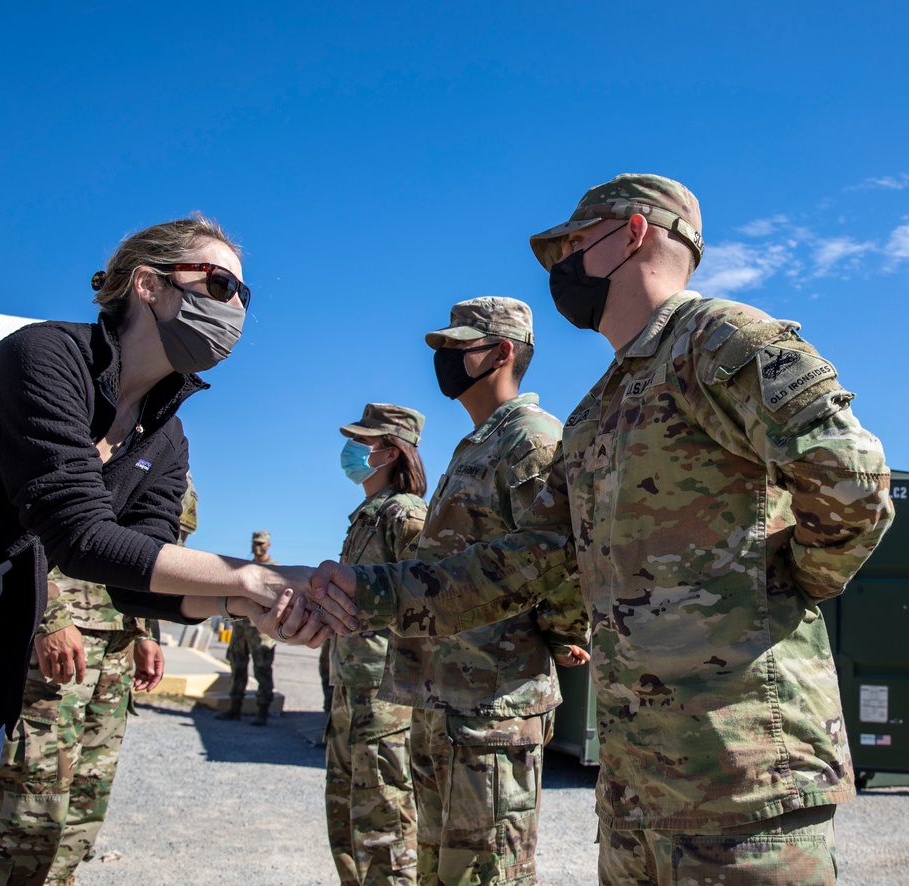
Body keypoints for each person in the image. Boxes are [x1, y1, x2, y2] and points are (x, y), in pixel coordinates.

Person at [313, 175, 895, 885]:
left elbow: (852, 478)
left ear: (634, 232)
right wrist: (365, 593)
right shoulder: (597, 412)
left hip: (744, 773)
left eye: (574, 244)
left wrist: (794, 580)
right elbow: (526, 563)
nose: (563, 266)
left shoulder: (719, 341)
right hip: (636, 790)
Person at [0, 215, 346, 886]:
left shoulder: (164, 438)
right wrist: (259, 577)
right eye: (220, 282)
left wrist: (240, 601)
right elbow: (80, 535)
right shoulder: (45, 359)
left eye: (244, 296)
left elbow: (134, 578)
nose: (235, 308)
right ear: (148, 284)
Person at [384, 297, 571, 885]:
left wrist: (564, 635)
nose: (444, 358)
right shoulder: (478, 444)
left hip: (494, 705)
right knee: (440, 870)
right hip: (443, 699)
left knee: (487, 874)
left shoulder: (531, 439)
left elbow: (562, 557)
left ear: (503, 352)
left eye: (458, 347)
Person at [0, 473, 197, 886]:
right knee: (34, 795)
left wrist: (145, 631)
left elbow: (155, 553)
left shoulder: (164, 448)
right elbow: (23, 525)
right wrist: (47, 618)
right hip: (61, 635)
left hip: (117, 642)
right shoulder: (77, 426)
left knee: (87, 796)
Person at [327, 403, 429, 886]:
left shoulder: (404, 514)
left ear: (389, 452)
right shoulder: (367, 516)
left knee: (385, 822)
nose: (351, 450)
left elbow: (431, 598)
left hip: (387, 695)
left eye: (362, 441)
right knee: (347, 815)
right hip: (353, 685)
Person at [217, 531, 281, 726]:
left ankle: (262, 710)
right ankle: (235, 707)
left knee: (262, 669)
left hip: (261, 630)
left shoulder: (276, 570)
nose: (257, 547)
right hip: (241, 627)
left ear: (268, 545)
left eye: (261, 543)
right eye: (255, 543)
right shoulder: (246, 567)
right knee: (237, 666)